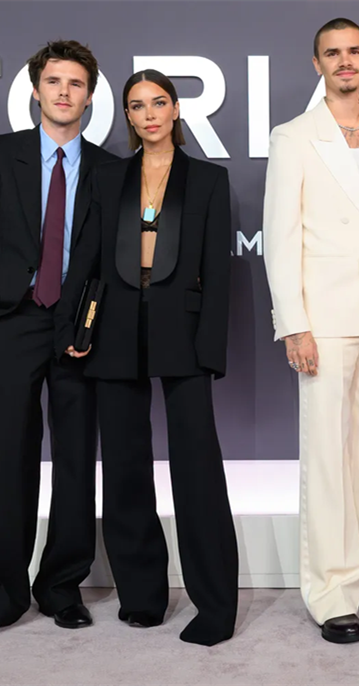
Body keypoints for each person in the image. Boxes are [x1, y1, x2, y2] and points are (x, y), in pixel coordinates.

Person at [54, 69, 238, 646]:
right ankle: (141, 597)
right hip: (114, 329)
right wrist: (73, 327)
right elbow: (86, 257)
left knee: (197, 469)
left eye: (159, 103)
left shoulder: (208, 179)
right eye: (137, 106)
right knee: (126, 469)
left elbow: (218, 273)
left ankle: (215, 606)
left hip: (182, 331)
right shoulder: (109, 177)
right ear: (128, 117)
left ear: (176, 109)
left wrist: (210, 350)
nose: (149, 114)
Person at [263, 18, 359, 644]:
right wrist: (293, 324)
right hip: (323, 321)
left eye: (353, 51)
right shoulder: (293, 136)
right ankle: (330, 591)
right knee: (328, 455)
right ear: (317, 64)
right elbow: (280, 236)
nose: (344, 61)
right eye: (333, 53)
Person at [0, 40, 117, 630]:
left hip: (78, 325)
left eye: (75, 84)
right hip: (13, 319)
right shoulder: (4, 156)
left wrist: (87, 320)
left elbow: (110, 262)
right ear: (36, 90)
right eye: (54, 81)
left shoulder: (109, 170)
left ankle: (61, 586)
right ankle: (5, 588)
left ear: (89, 97)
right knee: (9, 456)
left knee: (75, 457)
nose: (64, 92)